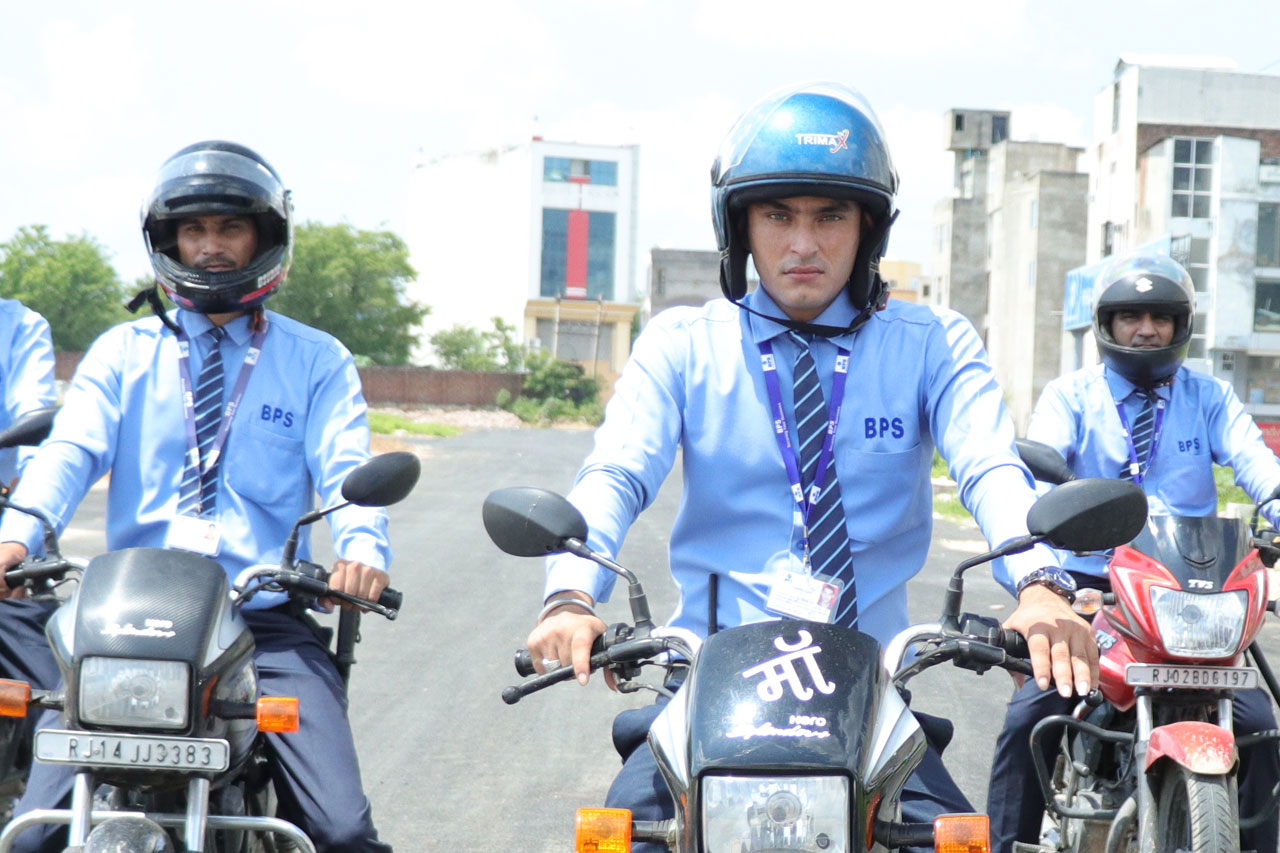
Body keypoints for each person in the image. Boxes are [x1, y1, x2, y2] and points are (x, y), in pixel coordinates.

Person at [525, 82, 1096, 850]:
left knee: (967, 840)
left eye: (830, 215)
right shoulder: (682, 344)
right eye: (778, 215)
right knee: (618, 837)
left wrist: (1040, 585)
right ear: (740, 227)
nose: (804, 243)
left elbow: (992, 468)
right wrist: (569, 594)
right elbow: (617, 473)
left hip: (874, 690)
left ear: (869, 228)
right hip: (706, 684)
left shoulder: (933, 342)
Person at [0, 140, 394, 852]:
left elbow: (347, 469)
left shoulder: (317, 360)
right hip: (120, 630)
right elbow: (71, 449)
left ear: (264, 238)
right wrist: (18, 531)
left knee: (339, 833)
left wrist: (361, 549)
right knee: (32, 837)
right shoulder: (121, 353)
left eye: (229, 228)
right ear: (169, 239)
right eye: (194, 230)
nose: (210, 246)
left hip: (260, 624)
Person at [986, 252, 1280, 853]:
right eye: (1129, 316)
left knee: (1260, 730)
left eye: (1159, 317)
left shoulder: (1211, 396)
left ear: (1180, 326)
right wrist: (1054, 570)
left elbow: (1262, 470)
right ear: (1106, 325)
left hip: (1192, 598)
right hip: (1094, 598)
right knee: (1029, 723)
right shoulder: (1070, 396)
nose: (1146, 329)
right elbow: (1038, 485)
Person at [0, 299, 60, 696]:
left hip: (6, 512)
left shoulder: (20, 326)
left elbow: (35, 432)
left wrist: (13, 541)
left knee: (52, 692)